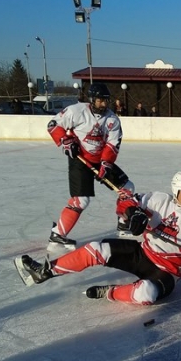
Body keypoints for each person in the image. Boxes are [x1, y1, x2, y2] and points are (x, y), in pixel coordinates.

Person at [14, 171, 181, 306]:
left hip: (167, 271)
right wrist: (133, 213)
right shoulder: (158, 200)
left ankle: (110, 292)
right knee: (97, 248)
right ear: (175, 190)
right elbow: (125, 200)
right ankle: (45, 272)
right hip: (142, 254)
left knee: (146, 294)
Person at [45, 82, 126, 248]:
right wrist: (65, 141)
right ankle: (58, 234)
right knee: (81, 200)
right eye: (100, 100)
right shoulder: (77, 111)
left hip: (101, 160)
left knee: (127, 188)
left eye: (106, 100)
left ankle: (124, 223)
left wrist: (106, 164)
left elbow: (112, 144)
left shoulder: (112, 119)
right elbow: (53, 125)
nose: (104, 104)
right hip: (80, 160)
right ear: (92, 99)